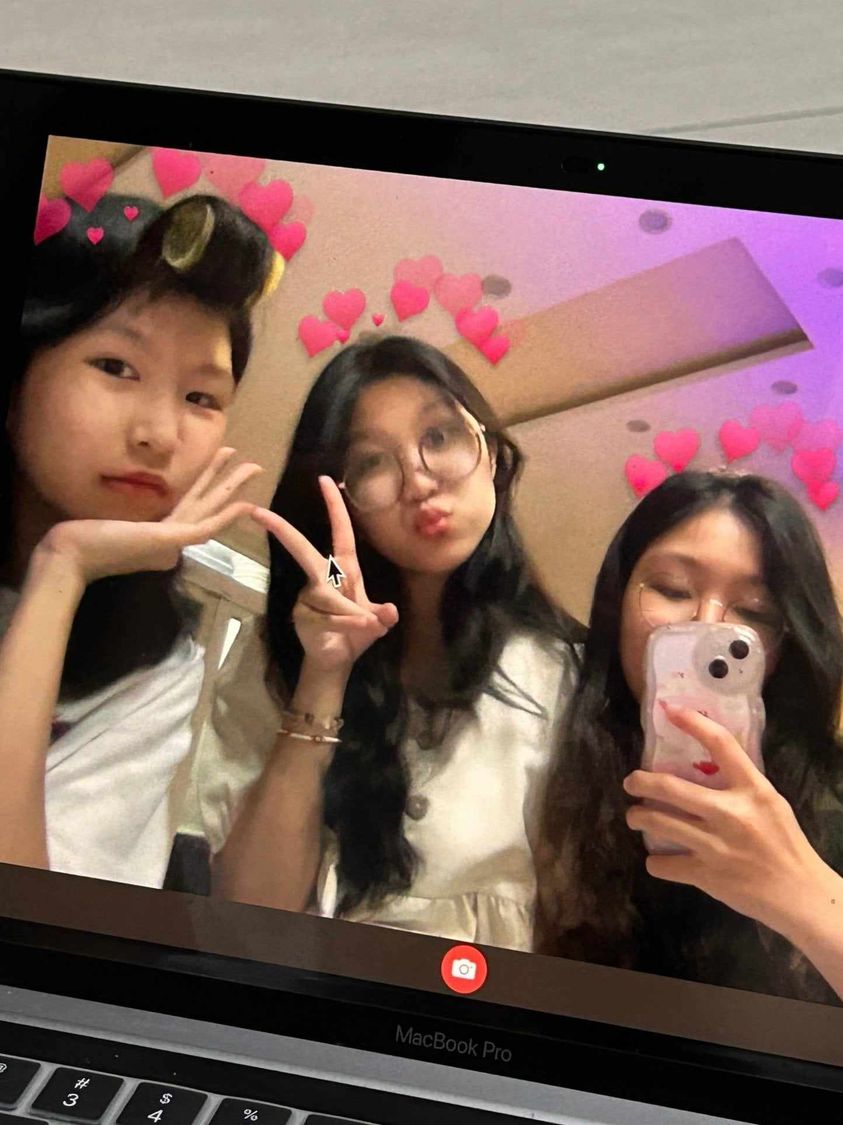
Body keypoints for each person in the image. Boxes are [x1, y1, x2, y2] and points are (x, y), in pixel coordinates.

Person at [178, 335, 585, 951]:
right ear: (342, 501)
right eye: (371, 463)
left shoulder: (568, 673)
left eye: (439, 437)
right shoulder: (280, 656)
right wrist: (323, 677)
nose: (418, 481)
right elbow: (249, 911)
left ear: (491, 454)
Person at [0, 188, 278, 887]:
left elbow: (30, 911)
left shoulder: (159, 670)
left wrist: (62, 569)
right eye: (116, 367)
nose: (158, 434)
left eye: (200, 398)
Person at [537, 470, 843, 1003]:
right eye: (673, 590)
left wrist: (802, 892)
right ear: (617, 599)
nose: (706, 626)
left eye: (753, 613)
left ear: (785, 646)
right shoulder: (548, 764)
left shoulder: (833, 797)